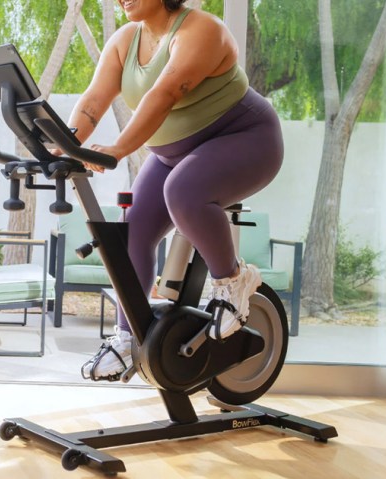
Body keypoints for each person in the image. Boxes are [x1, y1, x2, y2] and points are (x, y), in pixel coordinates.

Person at [69, 0, 284, 381]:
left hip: (247, 140)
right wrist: (67, 146)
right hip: (174, 153)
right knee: (131, 229)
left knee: (183, 192)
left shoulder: (201, 30)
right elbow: (94, 100)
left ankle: (234, 281)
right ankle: (129, 335)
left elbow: (163, 94)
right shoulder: (124, 41)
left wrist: (118, 149)